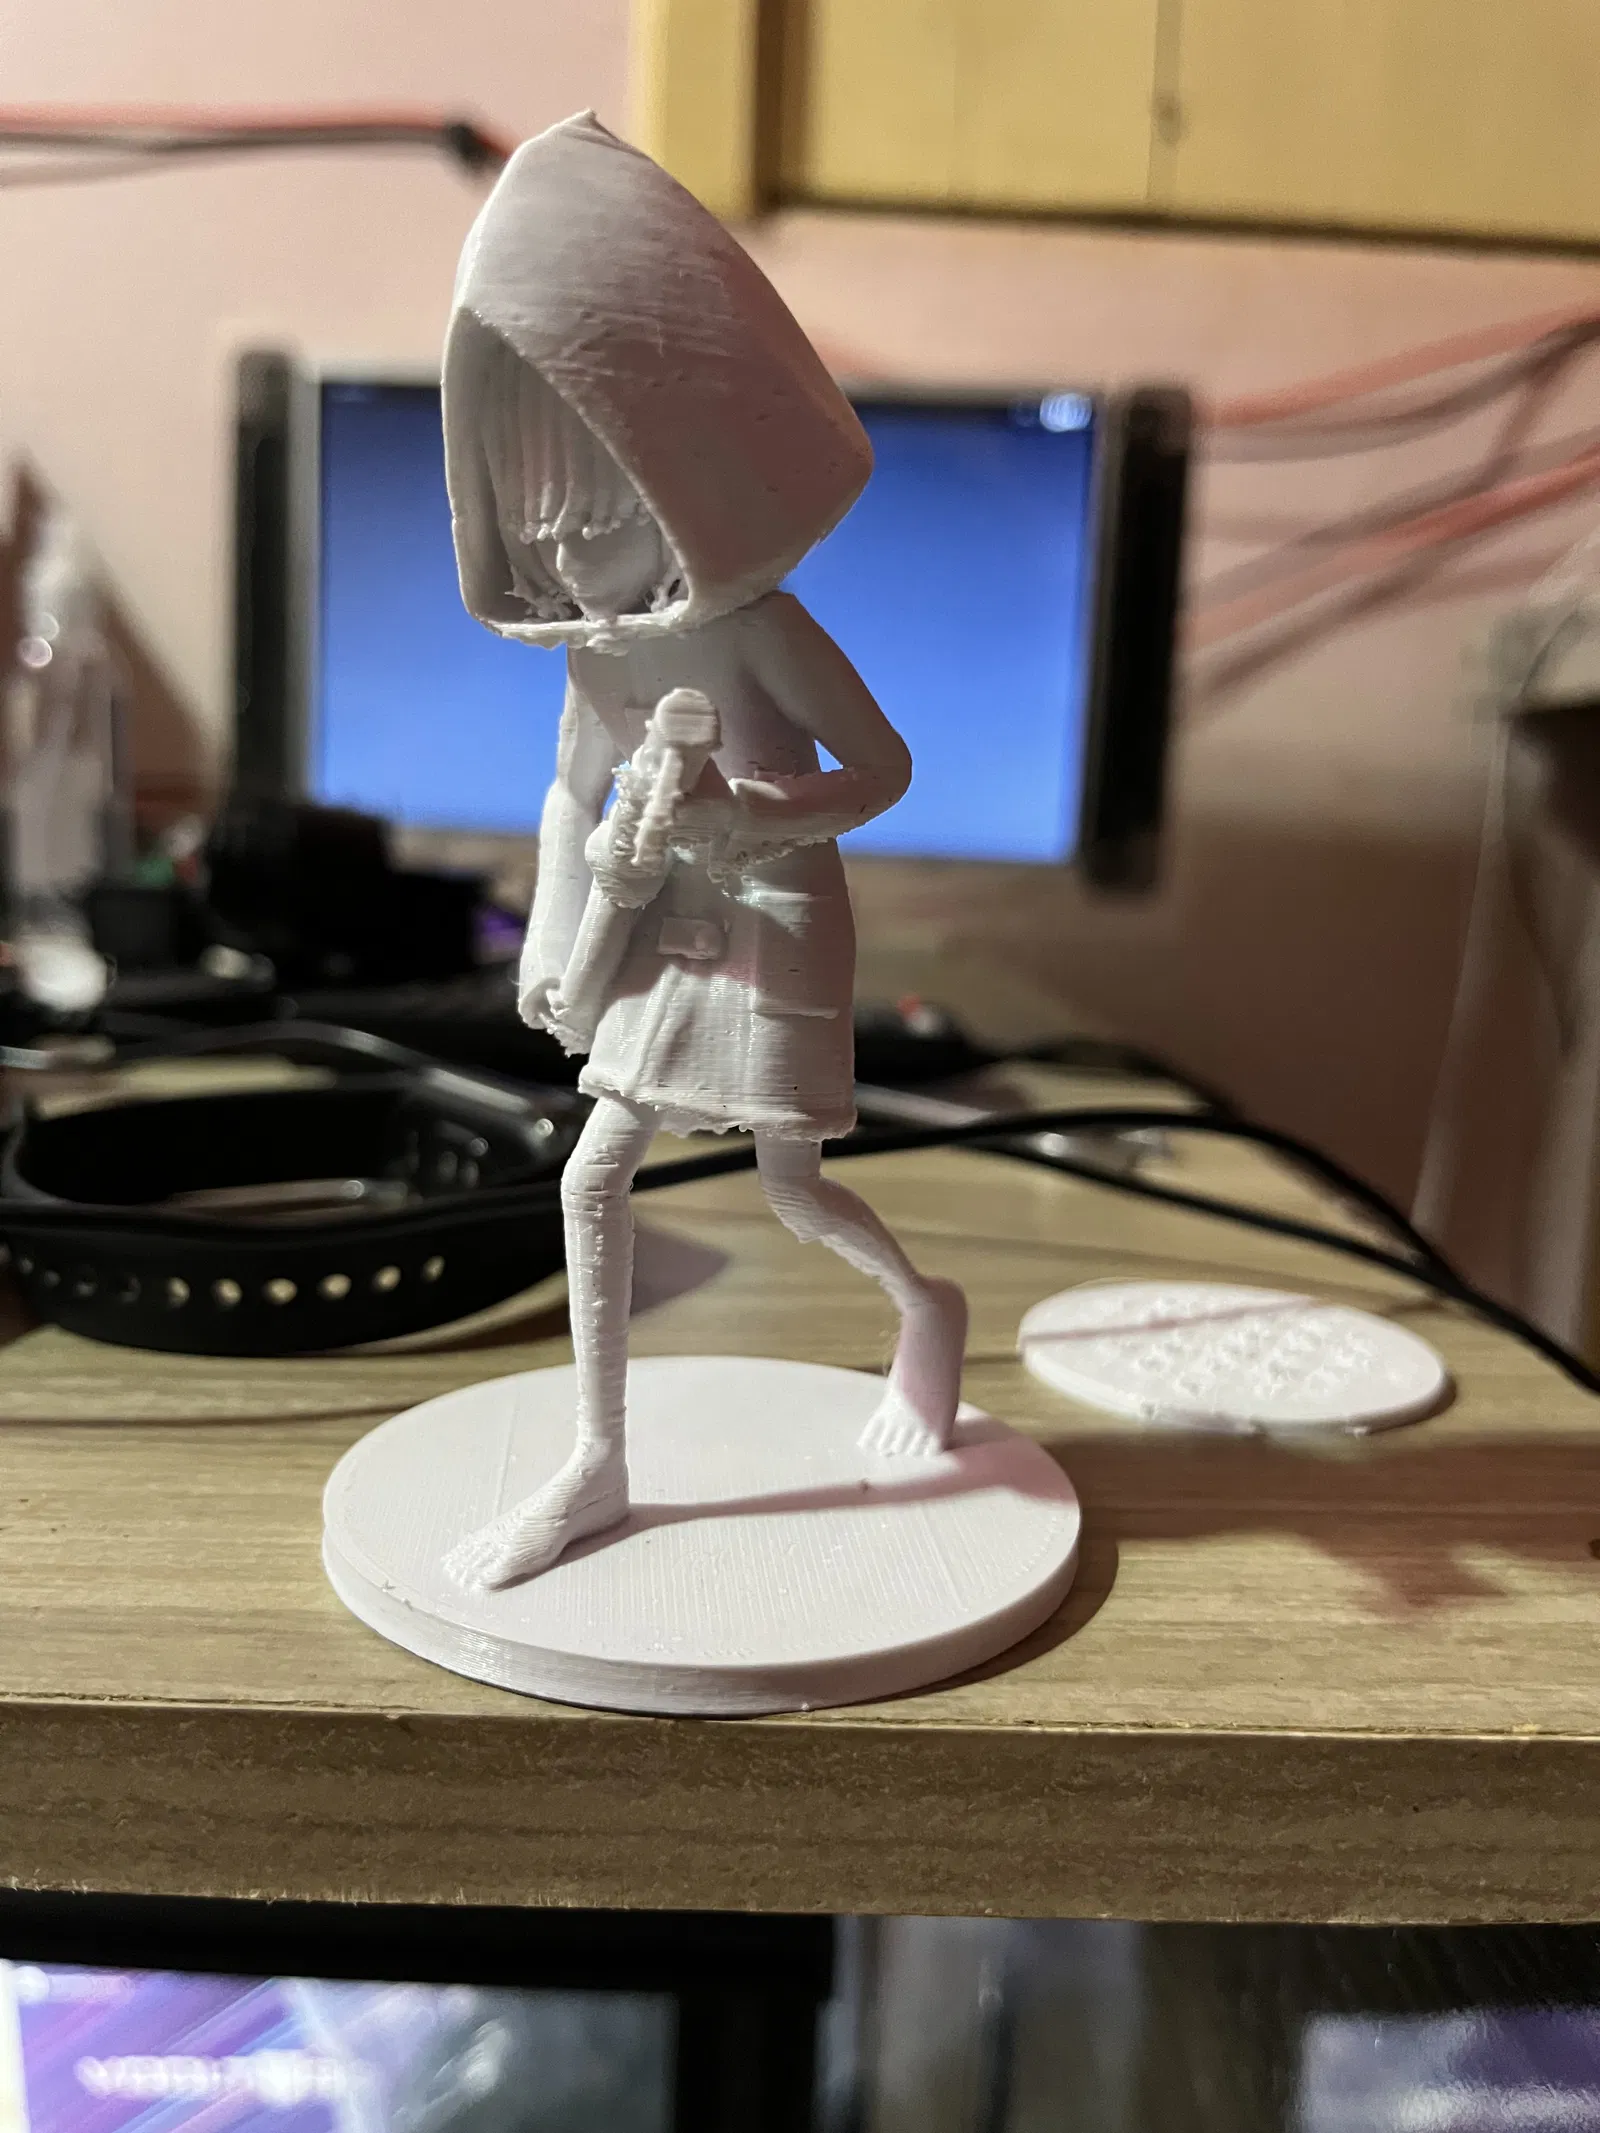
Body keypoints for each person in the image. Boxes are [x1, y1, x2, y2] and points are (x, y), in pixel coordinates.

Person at [440, 113, 966, 1590]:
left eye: (594, 521)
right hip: (655, 905)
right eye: (545, 530)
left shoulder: (766, 631)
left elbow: (884, 770)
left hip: (772, 907)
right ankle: (598, 1460)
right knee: (593, 1175)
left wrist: (752, 815)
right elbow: (570, 795)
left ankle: (923, 1307)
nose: (568, 560)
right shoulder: (595, 652)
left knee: (793, 1189)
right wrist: (555, 939)